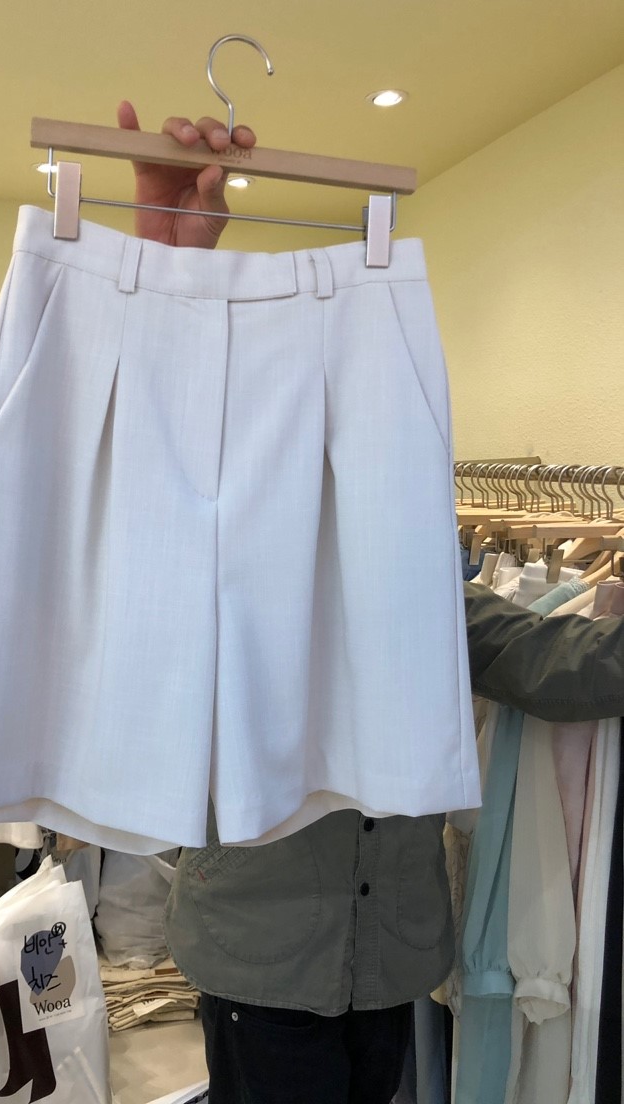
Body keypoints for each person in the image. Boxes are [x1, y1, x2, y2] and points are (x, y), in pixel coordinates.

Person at [117, 101, 624, 1104]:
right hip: (261, 956)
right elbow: (147, 493)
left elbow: (539, 657)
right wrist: (171, 275)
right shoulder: (218, 563)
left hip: (390, 956)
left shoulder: (414, 577)